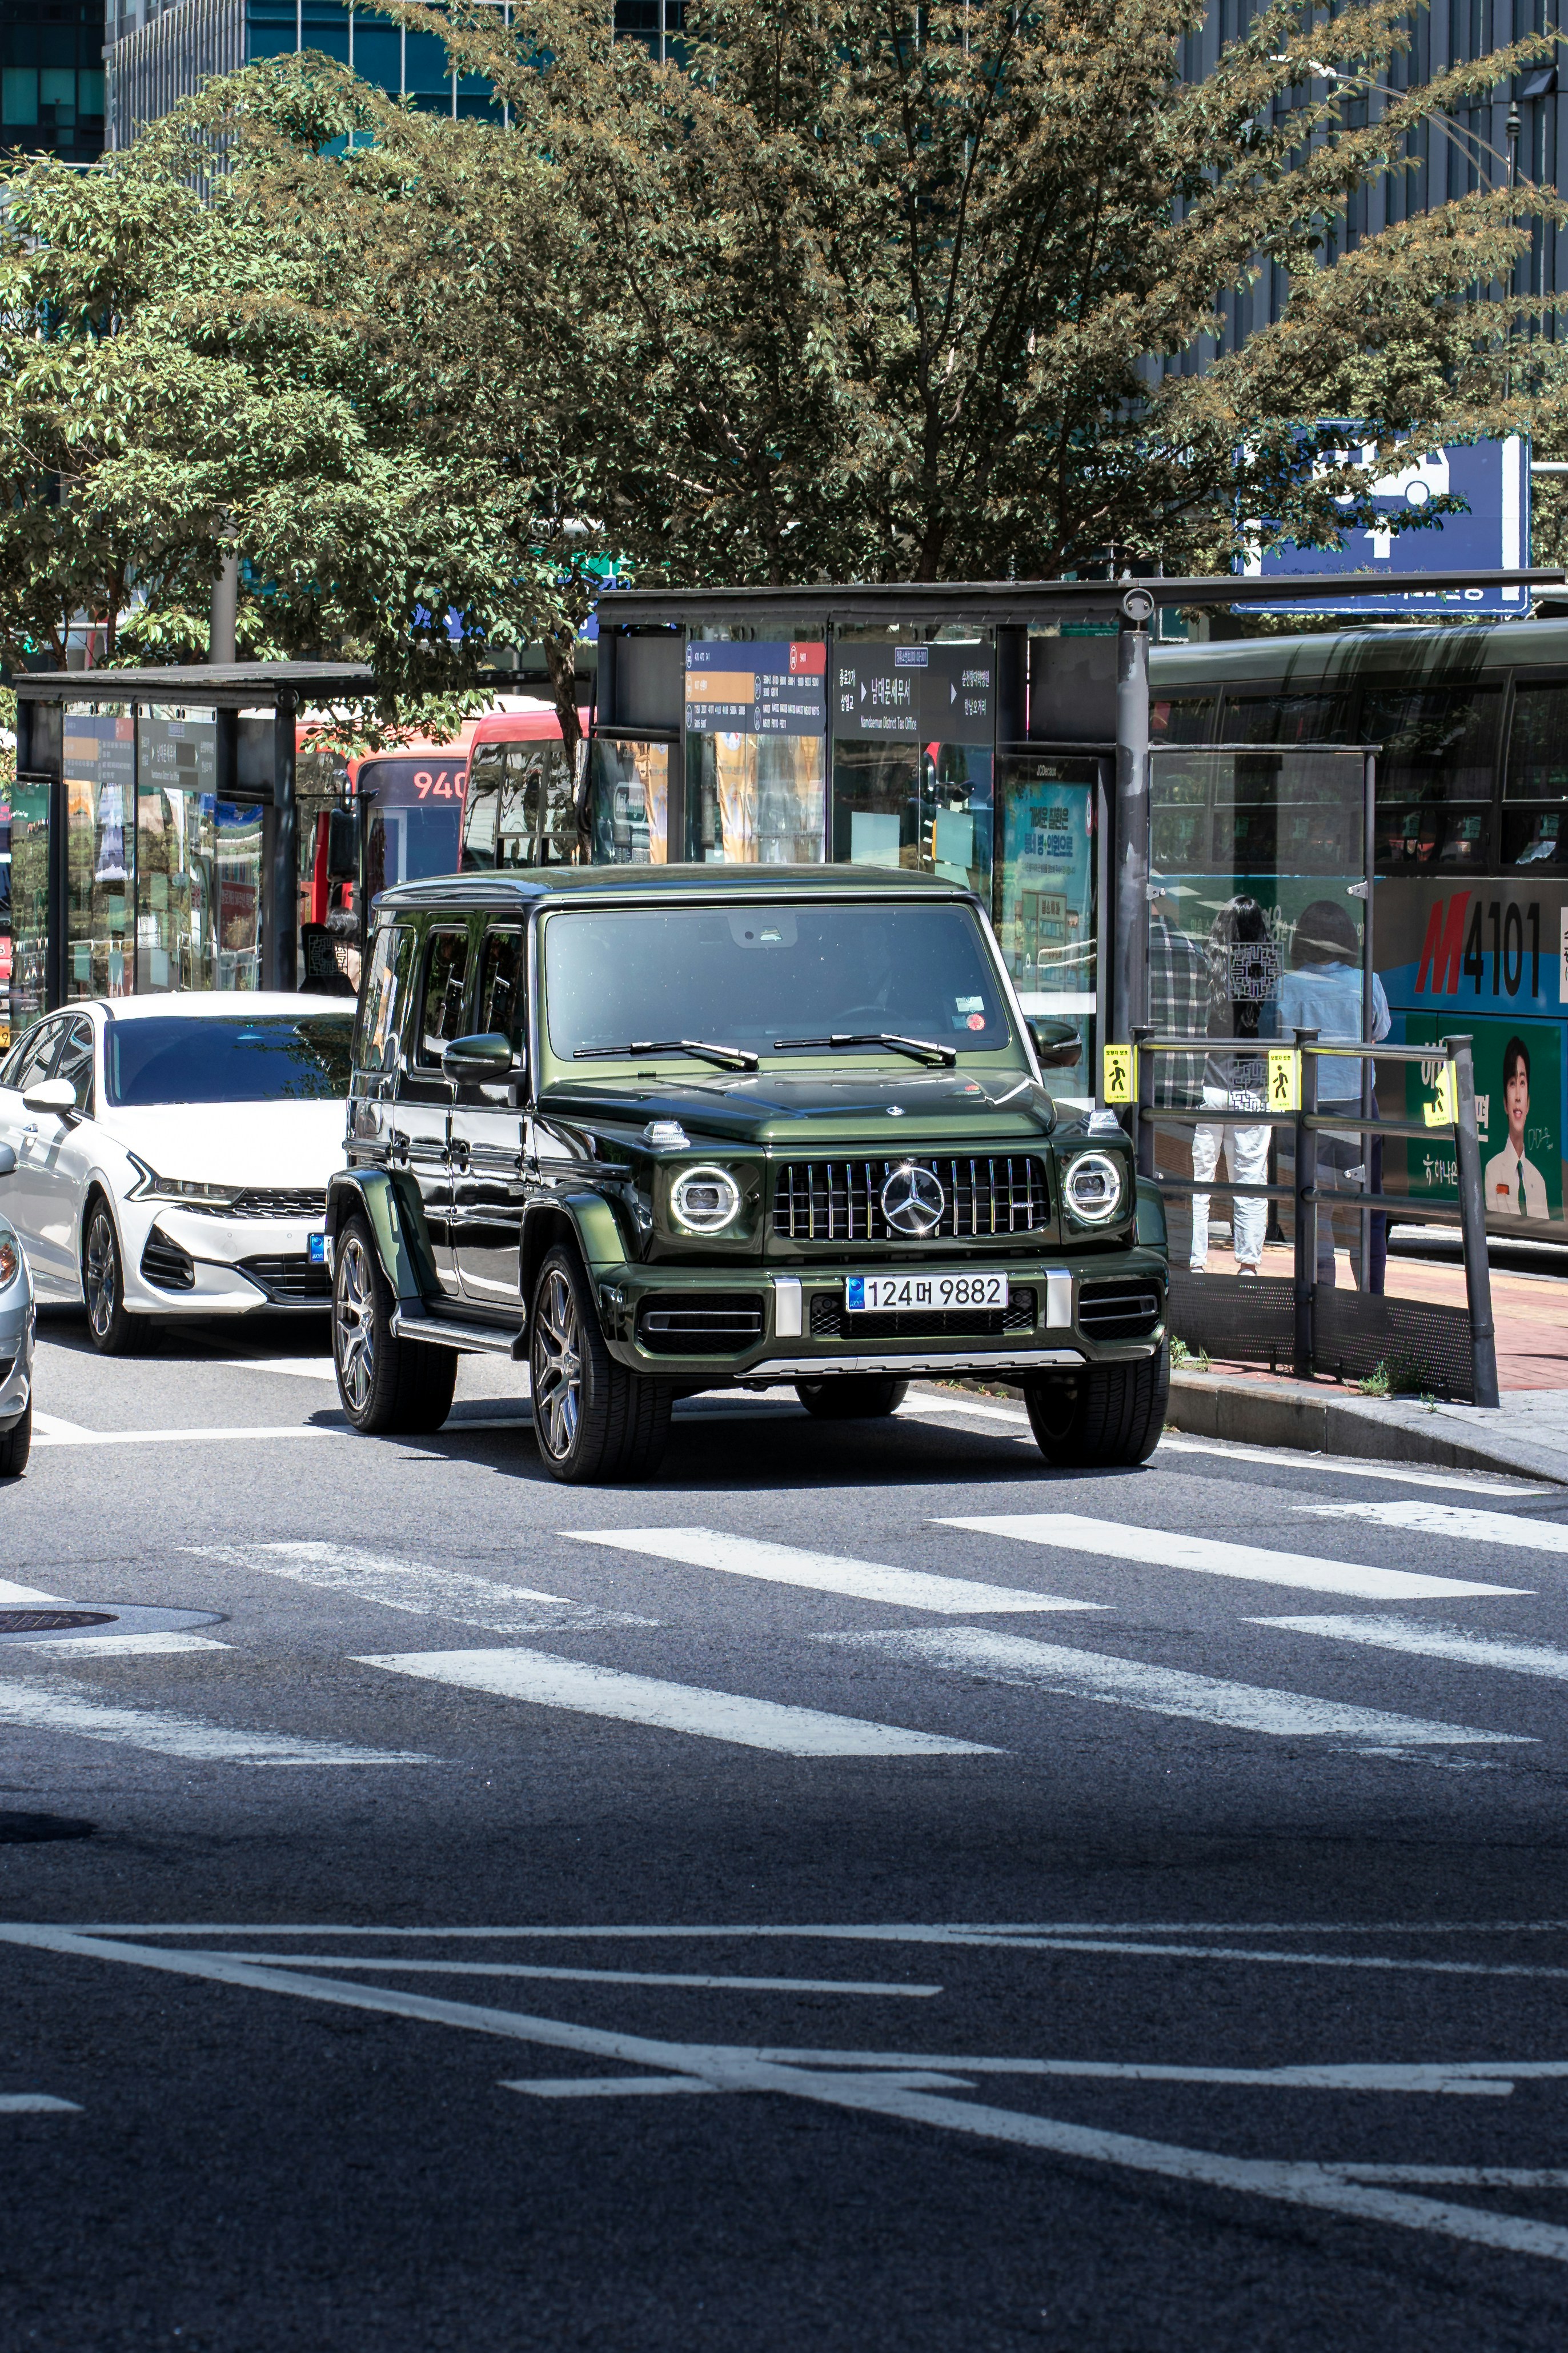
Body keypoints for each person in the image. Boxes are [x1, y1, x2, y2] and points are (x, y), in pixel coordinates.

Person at [1277, 898, 1391, 1290]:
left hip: (1306, 1114)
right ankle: (1370, 1299)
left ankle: (1318, 1297)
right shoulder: (1366, 982)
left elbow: (1273, 1042)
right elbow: (1382, 1030)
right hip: (1358, 1108)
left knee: (1313, 1208)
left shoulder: (1285, 987)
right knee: (1366, 1211)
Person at [1189, 896, 1277, 1275]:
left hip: (1209, 1082)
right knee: (1250, 1177)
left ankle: (1196, 1260)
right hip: (1252, 1086)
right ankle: (1248, 1264)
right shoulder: (1267, 974)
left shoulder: (1206, 968)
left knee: (1199, 1177)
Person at [1484, 1035, 1549, 1218]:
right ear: (1505, 1103)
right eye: (1513, 1084)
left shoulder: (1538, 1180)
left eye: (1522, 1082)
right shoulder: (1493, 1169)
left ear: (1528, 1103)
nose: (1518, 1096)